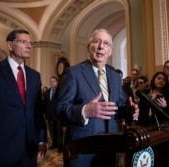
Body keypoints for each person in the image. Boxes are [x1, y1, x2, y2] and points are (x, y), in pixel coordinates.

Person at [55, 28, 139, 167]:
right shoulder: (73, 73)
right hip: (82, 146)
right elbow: (59, 109)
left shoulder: (115, 76)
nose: (101, 46)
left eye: (106, 43)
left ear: (110, 51)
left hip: (110, 144)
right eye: (96, 42)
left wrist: (129, 110)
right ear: (89, 47)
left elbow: (116, 108)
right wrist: (85, 111)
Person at [0, 29, 47, 167]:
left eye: (30, 43)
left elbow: (37, 112)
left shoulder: (34, 76)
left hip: (29, 151)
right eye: (23, 42)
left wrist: (41, 141)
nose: (29, 46)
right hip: (0, 151)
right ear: (10, 45)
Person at [43, 76, 63, 152]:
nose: (52, 83)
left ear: (57, 82)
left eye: (53, 81)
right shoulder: (47, 92)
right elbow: (45, 103)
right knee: (51, 130)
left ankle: (60, 146)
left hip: (57, 114)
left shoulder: (60, 91)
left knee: (58, 130)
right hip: (49, 115)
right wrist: (45, 113)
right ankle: (54, 144)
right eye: (51, 81)